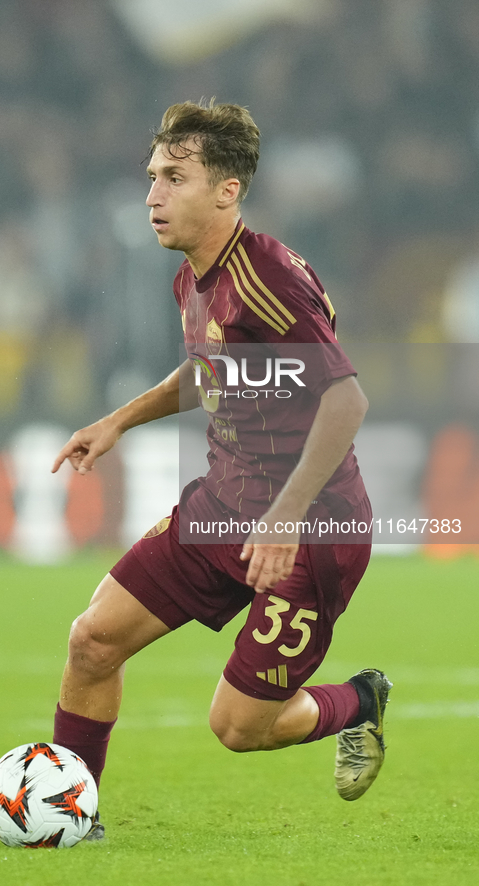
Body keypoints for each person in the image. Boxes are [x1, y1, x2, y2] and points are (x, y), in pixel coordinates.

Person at [51, 100, 391, 840]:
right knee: (93, 640)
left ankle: (357, 704)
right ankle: (68, 813)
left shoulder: (265, 274)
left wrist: (283, 518)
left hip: (308, 534)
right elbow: (206, 374)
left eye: (173, 177)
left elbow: (344, 400)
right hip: (223, 508)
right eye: (151, 177)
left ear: (226, 190)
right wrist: (116, 421)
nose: (151, 195)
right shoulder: (194, 278)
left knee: (239, 728)